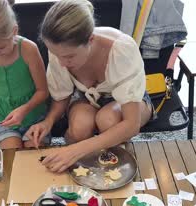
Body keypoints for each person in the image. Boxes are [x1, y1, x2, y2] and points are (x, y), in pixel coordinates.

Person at [25, 0, 154, 172]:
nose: (62, 63)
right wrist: (48, 122)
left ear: (90, 39)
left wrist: (76, 150)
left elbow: (132, 124)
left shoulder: (122, 49)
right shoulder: (59, 48)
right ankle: (86, 170)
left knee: (108, 119)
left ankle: (114, 165)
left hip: (129, 102)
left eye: (69, 56)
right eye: (57, 55)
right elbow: (61, 98)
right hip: (86, 98)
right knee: (79, 127)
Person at [0, 0, 49, 149]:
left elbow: (43, 92)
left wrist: (24, 109)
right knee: (12, 158)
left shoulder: (28, 49)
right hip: (3, 119)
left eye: (0, 47)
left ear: (14, 31)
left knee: (34, 156)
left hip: (34, 117)